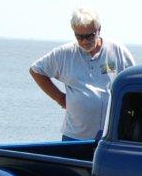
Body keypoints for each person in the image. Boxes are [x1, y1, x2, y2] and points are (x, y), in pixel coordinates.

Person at [30, 8, 136, 140]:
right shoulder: (65, 54)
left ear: (99, 29)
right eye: (79, 37)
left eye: (89, 36)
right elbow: (36, 70)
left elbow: (133, 80)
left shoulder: (116, 50)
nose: (84, 41)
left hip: (110, 135)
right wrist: (60, 98)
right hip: (75, 136)